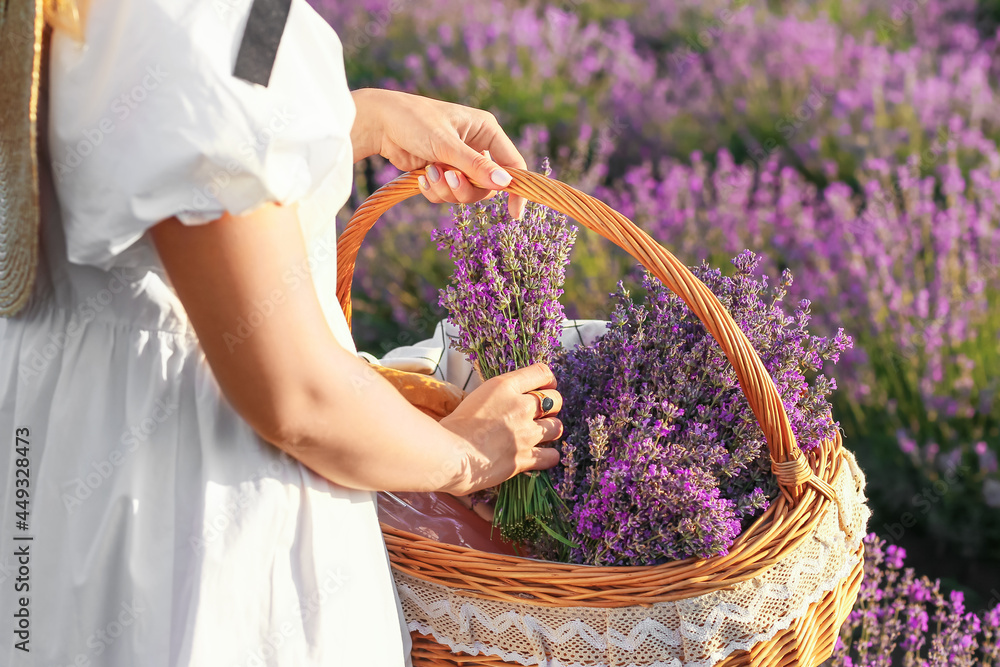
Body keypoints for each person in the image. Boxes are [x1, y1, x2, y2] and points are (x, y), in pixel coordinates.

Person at [0, 0, 562, 664]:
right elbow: (299, 394)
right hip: (203, 514)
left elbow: (148, 140)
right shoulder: (207, 20)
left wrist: (357, 119)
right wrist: (468, 453)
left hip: (74, 478)